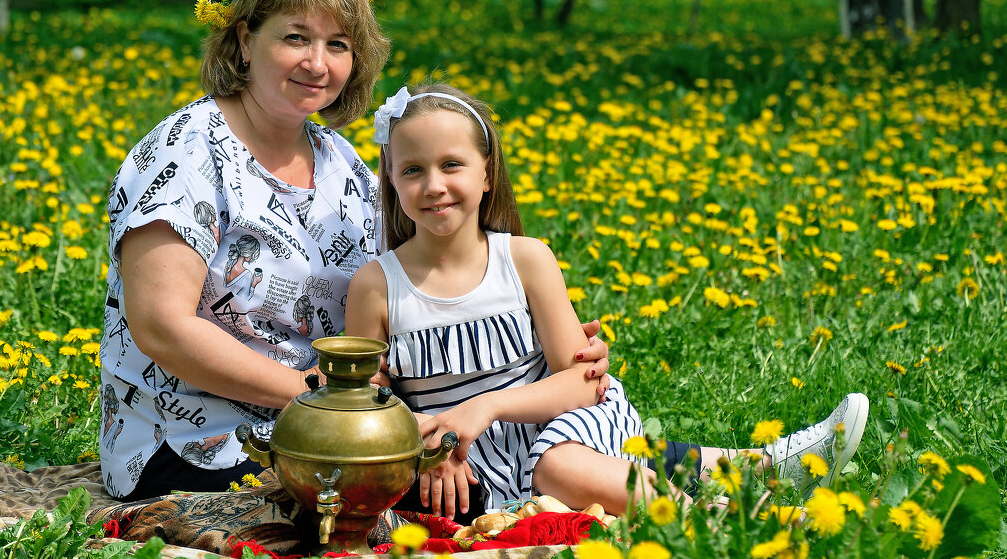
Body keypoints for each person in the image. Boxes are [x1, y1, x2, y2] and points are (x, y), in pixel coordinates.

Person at [97, 0, 609, 500]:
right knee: (460, 494)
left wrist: (551, 351)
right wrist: (316, 393)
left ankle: (668, 466)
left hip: (340, 421)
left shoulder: (342, 162)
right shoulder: (186, 154)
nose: (318, 63)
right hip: (202, 441)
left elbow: (418, 286)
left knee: (479, 462)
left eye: (337, 44)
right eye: (296, 38)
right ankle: (655, 483)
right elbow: (160, 326)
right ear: (245, 41)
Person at [344, 84, 869, 519]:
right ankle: (758, 468)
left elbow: (581, 382)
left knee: (556, 467)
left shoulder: (524, 261)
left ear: (487, 175)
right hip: (463, 465)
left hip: (558, 424)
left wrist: (488, 405)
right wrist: (430, 450)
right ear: (389, 178)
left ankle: (720, 519)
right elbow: (364, 406)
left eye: (452, 164)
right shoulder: (377, 285)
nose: (433, 185)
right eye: (412, 169)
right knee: (526, 485)